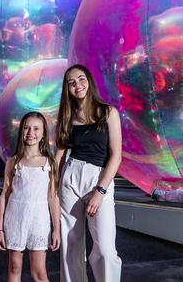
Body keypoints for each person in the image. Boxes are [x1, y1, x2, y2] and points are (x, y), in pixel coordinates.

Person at [55, 64, 123, 282]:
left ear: (89, 82)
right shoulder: (66, 115)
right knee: (71, 246)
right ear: (67, 88)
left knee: (105, 250)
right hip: (71, 177)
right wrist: (51, 187)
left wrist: (101, 190)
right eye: (71, 82)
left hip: (99, 179)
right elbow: (59, 155)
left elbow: (116, 156)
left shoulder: (108, 112)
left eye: (81, 79)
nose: (77, 85)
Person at [0, 112, 61, 282]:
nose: (31, 132)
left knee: (39, 272)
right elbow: (4, 195)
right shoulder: (14, 161)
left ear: (43, 133)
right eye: (26, 128)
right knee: (14, 267)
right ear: (21, 131)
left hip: (39, 221)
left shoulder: (50, 162)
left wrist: (56, 229)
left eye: (36, 128)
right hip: (15, 218)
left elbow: (53, 197)